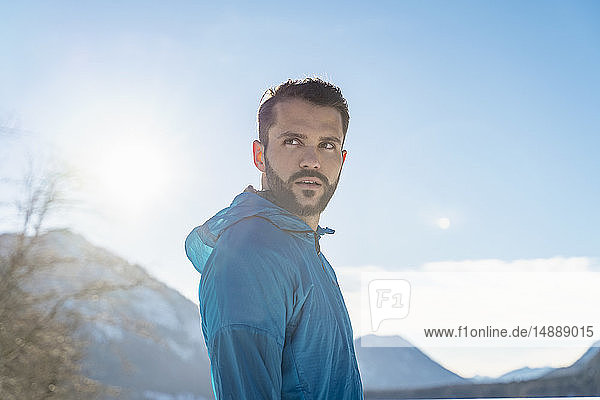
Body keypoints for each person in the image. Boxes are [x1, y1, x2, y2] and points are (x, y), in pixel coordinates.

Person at [185, 78, 363, 399]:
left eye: (327, 145)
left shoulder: (310, 254)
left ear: (342, 159)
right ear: (260, 155)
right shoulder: (250, 257)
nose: (312, 160)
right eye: (293, 141)